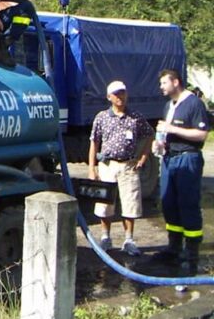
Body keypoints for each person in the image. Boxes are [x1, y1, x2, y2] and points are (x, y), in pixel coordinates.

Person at [152, 69, 209, 276]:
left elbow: (201, 134)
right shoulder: (169, 105)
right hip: (169, 158)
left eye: (164, 83)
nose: (161, 87)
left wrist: (173, 129)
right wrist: (159, 144)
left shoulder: (194, 104)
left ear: (176, 82)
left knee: (188, 204)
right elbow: (165, 131)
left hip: (188, 158)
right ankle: (173, 248)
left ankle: (191, 255)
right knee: (169, 203)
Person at [88, 81, 154, 256]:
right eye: (116, 94)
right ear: (109, 97)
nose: (120, 97)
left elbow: (150, 134)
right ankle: (105, 237)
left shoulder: (136, 117)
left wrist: (144, 157)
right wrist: (92, 167)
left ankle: (129, 240)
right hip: (107, 165)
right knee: (105, 204)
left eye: (123, 93)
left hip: (128, 166)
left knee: (130, 203)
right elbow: (94, 142)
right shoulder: (102, 117)